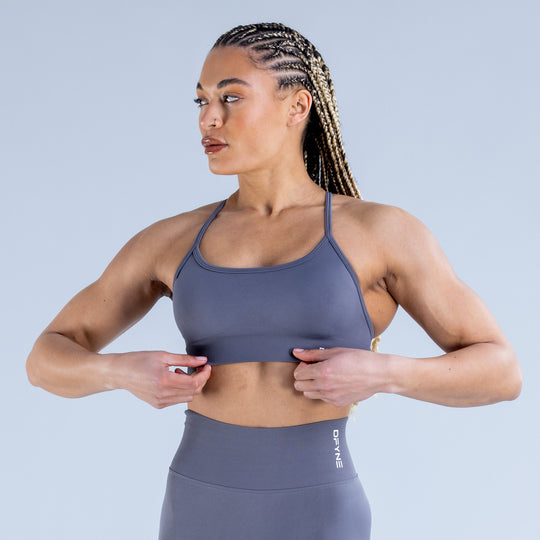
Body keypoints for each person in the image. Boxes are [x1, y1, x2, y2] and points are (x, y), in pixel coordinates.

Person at [25, 22, 522, 540]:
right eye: (201, 101)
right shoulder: (172, 240)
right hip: (198, 506)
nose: (208, 118)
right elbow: (44, 359)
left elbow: (501, 371)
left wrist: (385, 373)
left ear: (297, 105)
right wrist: (120, 372)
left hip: (319, 509)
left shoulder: (380, 232)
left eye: (230, 97)